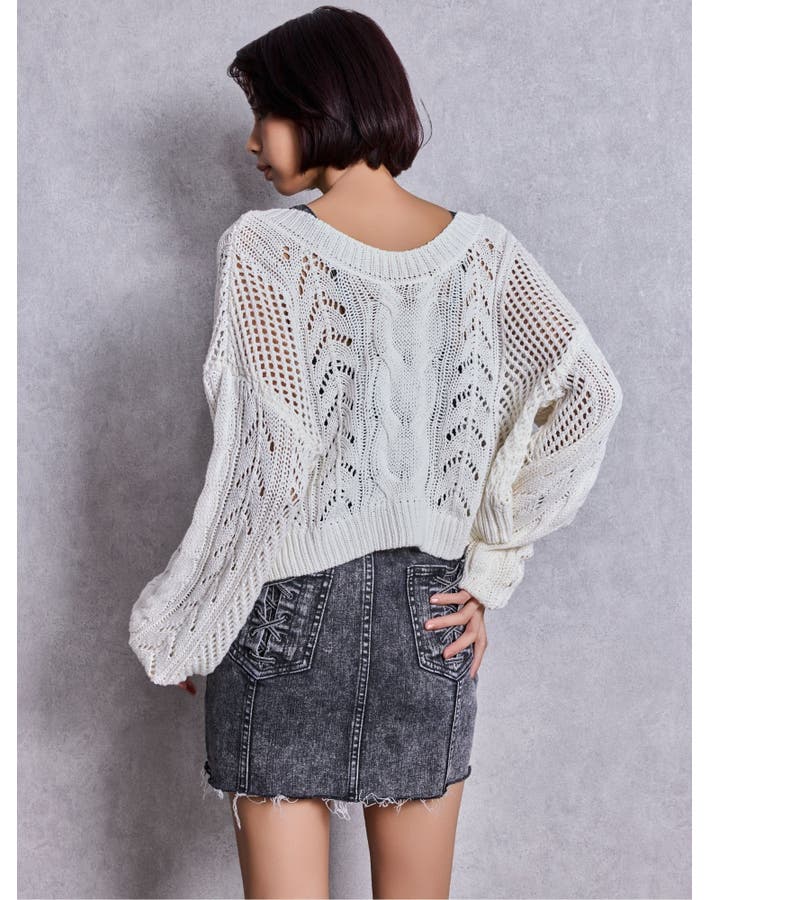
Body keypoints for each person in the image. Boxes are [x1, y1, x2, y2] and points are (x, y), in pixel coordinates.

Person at [128, 6, 624, 898]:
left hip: (282, 618)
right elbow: (589, 395)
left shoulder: (264, 250)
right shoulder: (487, 256)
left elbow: (262, 465)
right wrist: (488, 570)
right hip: (430, 619)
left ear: (323, 106)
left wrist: (194, 614)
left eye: (266, 113)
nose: (251, 142)